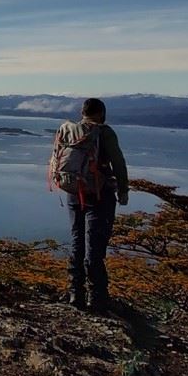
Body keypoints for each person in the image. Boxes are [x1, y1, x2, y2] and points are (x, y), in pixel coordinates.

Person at [66, 97, 129, 313]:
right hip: (99, 195)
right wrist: (123, 190)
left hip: (75, 193)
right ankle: (98, 298)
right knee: (95, 246)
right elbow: (118, 162)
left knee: (77, 241)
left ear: (82, 113)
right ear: (101, 113)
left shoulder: (72, 131)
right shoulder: (104, 132)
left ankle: (75, 292)